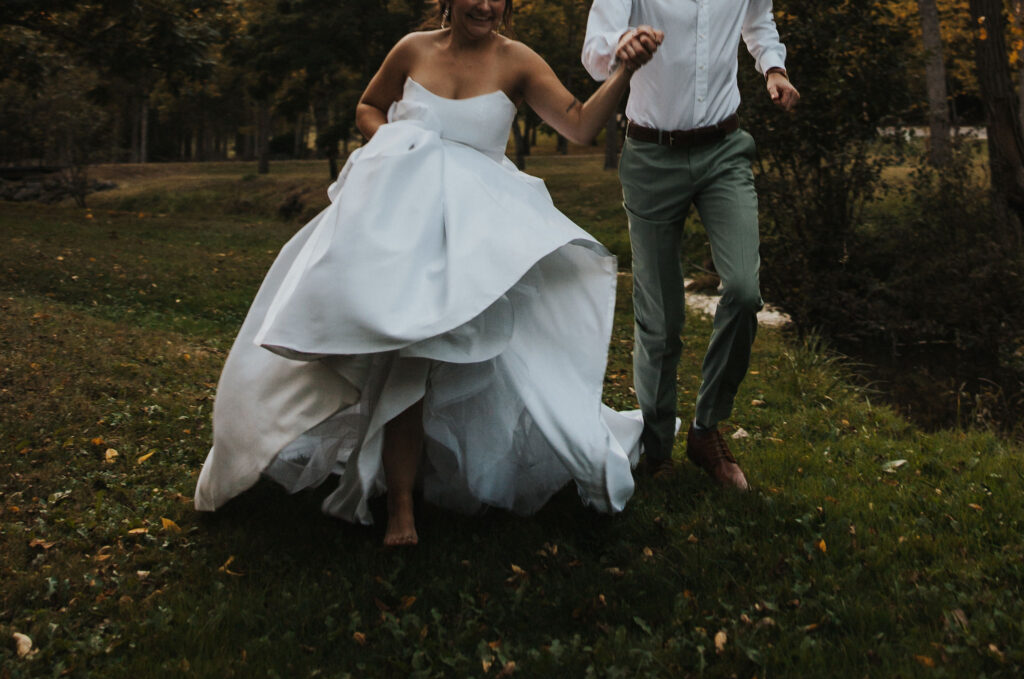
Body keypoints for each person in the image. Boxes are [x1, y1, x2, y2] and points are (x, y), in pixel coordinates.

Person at [194, 0, 663, 545]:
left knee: (489, 360)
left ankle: (459, 473)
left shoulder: (519, 61)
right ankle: (399, 507)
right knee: (404, 350)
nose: (485, 5)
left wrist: (625, 72)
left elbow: (580, 126)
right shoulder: (411, 50)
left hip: (475, 235)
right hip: (403, 224)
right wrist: (395, 143)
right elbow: (369, 106)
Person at [582, 1, 800, 489]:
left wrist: (774, 68)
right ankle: (657, 447)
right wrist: (621, 47)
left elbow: (758, 21)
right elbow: (595, 53)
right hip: (651, 153)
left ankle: (706, 430)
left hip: (724, 150)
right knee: (660, 319)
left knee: (744, 291)